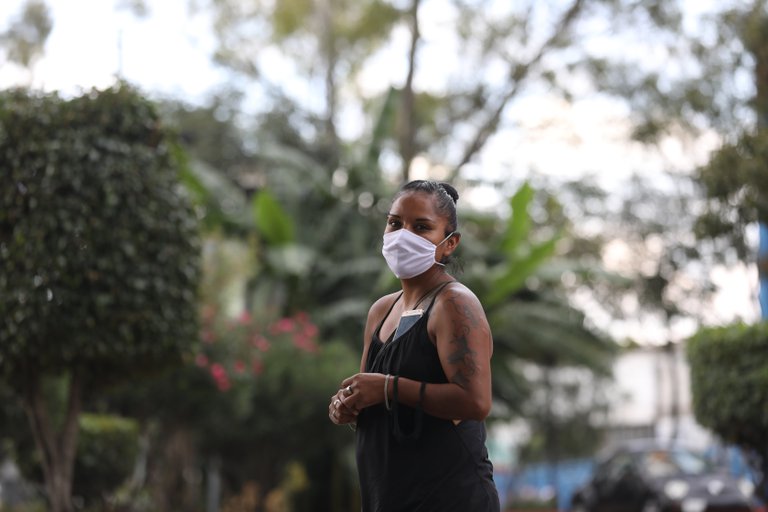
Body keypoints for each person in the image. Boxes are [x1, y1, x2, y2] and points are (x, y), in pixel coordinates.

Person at [328, 180, 500, 512]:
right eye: (395, 223)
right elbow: (370, 394)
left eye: (421, 227)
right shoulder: (381, 310)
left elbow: (476, 402)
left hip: (449, 498)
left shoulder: (454, 304)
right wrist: (346, 405)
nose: (403, 235)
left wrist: (388, 387)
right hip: (389, 497)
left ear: (449, 244)